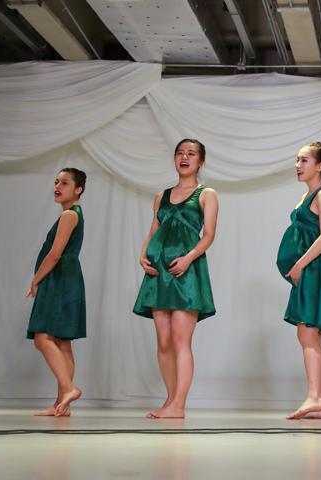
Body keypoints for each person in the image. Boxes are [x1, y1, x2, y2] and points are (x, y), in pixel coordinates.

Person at [133, 139, 218, 419]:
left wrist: (188, 258)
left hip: (185, 272)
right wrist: (143, 255)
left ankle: (179, 405)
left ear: (200, 161)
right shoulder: (162, 195)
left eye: (191, 154)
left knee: (182, 341)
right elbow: (153, 230)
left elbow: (208, 235)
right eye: (180, 153)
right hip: (158, 273)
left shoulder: (206, 194)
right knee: (164, 341)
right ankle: (170, 401)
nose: (184, 157)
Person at [277, 142, 321, 420]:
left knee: (308, 332)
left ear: (320, 165)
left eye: (304, 160)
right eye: (297, 161)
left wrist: (300, 264)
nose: (298, 166)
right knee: (312, 336)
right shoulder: (307, 195)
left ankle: (314, 397)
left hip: (314, 267)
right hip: (308, 266)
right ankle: (320, 403)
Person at [26, 168, 87, 417]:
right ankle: (62, 405)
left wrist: (36, 280)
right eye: (56, 182)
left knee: (43, 339)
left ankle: (69, 389)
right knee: (62, 343)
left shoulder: (69, 216)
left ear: (78, 189)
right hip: (68, 279)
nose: (57, 186)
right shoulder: (73, 215)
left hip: (60, 279)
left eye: (64, 182)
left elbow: (54, 254)